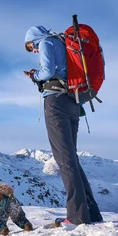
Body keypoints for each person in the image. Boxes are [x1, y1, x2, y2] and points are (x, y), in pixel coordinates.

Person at [24, 26, 103, 225]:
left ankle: (76, 217)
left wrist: (35, 76)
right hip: (73, 102)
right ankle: (91, 213)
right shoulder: (63, 43)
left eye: (31, 47)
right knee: (71, 158)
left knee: (64, 159)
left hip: (55, 102)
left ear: (33, 39)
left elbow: (48, 70)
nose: (34, 51)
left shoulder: (46, 42)